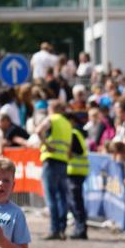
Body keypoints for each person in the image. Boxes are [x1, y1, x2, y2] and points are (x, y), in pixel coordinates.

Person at [38, 99, 73, 240]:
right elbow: (69, 147)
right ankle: (62, 229)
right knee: (62, 196)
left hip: (51, 160)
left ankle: (54, 229)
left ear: (52, 108)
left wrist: (45, 144)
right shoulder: (67, 123)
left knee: (51, 196)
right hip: (63, 161)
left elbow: (39, 130)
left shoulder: (51, 119)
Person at [66, 121, 89, 240]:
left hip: (76, 172)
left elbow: (77, 152)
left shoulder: (73, 134)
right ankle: (79, 228)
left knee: (76, 202)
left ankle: (81, 230)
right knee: (74, 202)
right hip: (75, 172)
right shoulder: (76, 133)